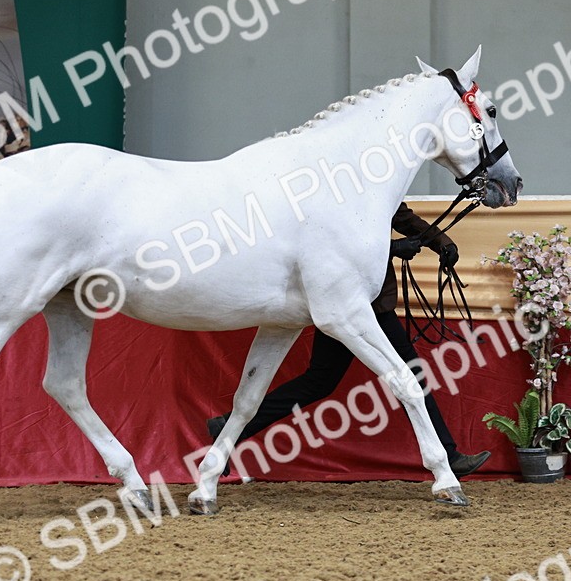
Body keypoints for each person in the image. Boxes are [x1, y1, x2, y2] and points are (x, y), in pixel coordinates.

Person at [208, 202, 491, 478]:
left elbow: (404, 218)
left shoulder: (376, 189)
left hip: (358, 303)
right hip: (355, 302)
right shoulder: (334, 197)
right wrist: (392, 249)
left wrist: (441, 242)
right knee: (411, 374)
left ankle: (231, 427)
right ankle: (447, 457)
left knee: (319, 381)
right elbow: (330, 248)